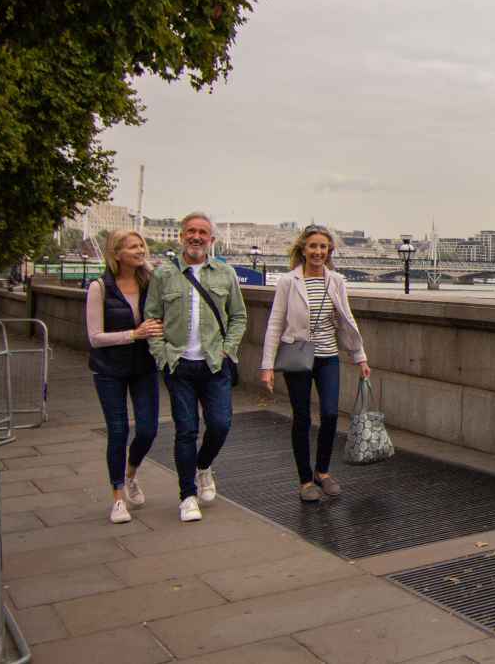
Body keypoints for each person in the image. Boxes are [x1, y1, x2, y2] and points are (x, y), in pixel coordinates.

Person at [146, 212, 247, 522]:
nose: (196, 237)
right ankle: (187, 495)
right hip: (179, 365)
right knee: (185, 431)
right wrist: (162, 355)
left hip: (215, 364)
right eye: (191, 231)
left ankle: (203, 466)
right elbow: (152, 318)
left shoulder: (225, 274)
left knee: (220, 424)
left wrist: (228, 350)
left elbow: (239, 316)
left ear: (211, 240)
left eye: (203, 232)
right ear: (181, 236)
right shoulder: (164, 274)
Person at [261, 225, 371, 502]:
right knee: (301, 417)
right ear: (303, 249)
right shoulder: (289, 281)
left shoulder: (336, 281)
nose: (318, 252)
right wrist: (266, 366)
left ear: (329, 251)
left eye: (323, 247)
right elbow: (275, 323)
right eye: (313, 246)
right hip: (297, 355)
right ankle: (305, 480)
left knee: (331, 414)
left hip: (327, 356)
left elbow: (347, 319)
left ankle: (322, 471)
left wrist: (360, 356)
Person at [85, 230, 163, 523]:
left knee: (148, 430)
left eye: (141, 245)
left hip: (144, 367)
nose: (140, 250)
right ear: (116, 253)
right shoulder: (99, 287)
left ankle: (131, 472)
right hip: (109, 371)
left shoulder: (150, 282)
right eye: (133, 247)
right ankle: (118, 496)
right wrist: (134, 334)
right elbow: (94, 337)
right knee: (118, 432)